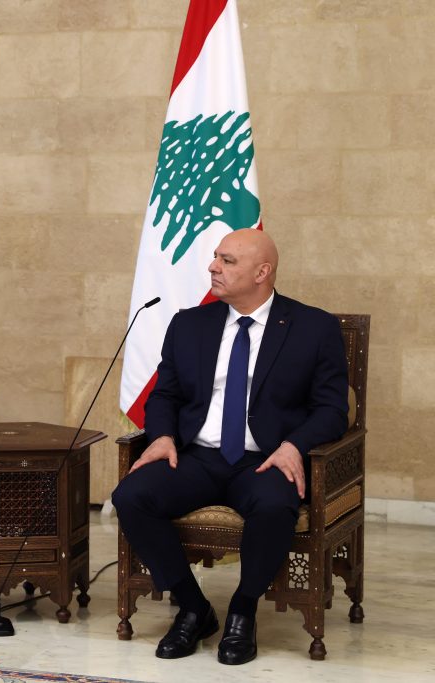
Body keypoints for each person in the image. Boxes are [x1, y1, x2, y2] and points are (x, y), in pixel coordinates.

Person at [112, 228, 348, 665]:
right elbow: (165, 395)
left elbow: (332, 410)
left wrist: (294, 445)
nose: (213, 267)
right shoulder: (189, 324)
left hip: (264, 460)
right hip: (196, 457)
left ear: (262, 272)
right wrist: (162, 436)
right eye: (216, 257)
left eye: (227, 260)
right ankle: (193, 608)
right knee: (131, 495)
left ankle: (243, 609)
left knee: (275, 505)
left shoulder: (313, 328)